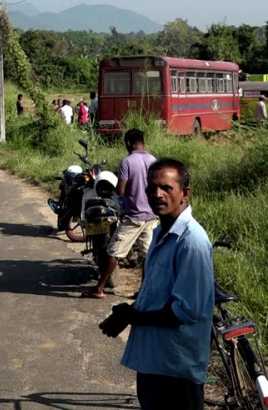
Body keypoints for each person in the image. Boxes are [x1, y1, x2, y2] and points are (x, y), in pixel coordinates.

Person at [99, 158, 214, 410]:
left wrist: (132, 316)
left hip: (176, 368)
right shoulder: (161, 233)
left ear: (184, 194)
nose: (157, 194)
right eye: (151, 188)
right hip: (154, 362)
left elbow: (183, 312)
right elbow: (157, 293)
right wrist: (129, 311)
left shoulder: (191, 242)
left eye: (166, 188)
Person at [84, 129, 157, 299]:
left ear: (129, 143)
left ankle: (99, 288)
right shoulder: (153, 160)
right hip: (151, 216)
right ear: (143, 142)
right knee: (147, 256)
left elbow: (121, 190)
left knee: (115, 251)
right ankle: (143, 292)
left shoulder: (127, 162)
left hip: (134, 216)